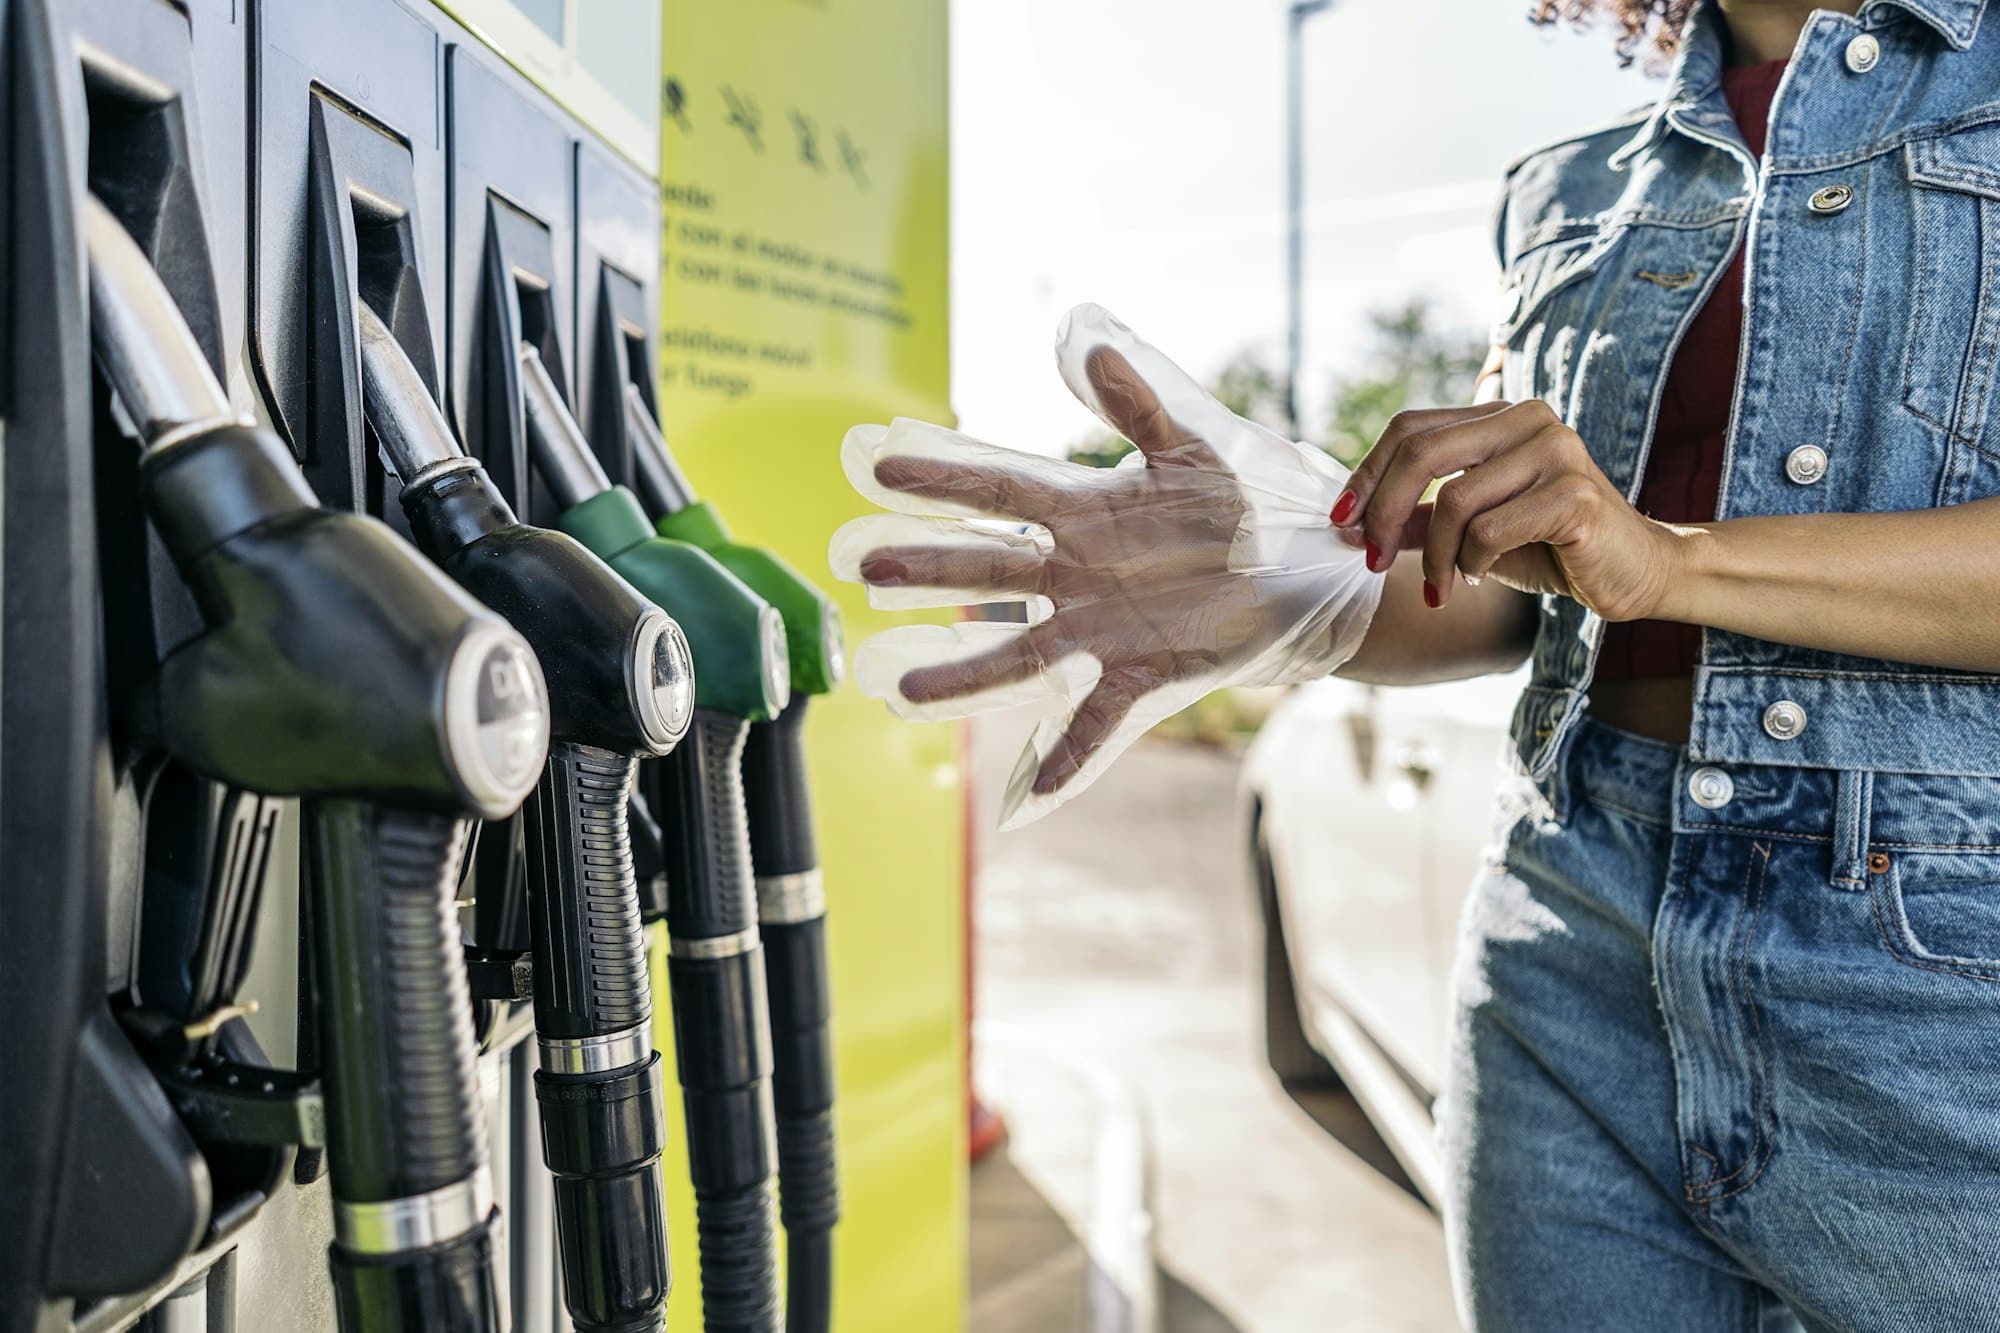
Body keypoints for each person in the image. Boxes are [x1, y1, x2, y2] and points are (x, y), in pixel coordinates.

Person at [845, 0, 2000, 1325]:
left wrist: (1673, 562)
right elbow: (1517, 592)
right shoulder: (1573, 193)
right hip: (1571, 954)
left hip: (1942, 994)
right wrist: (1287, 591)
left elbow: (1631, 560)